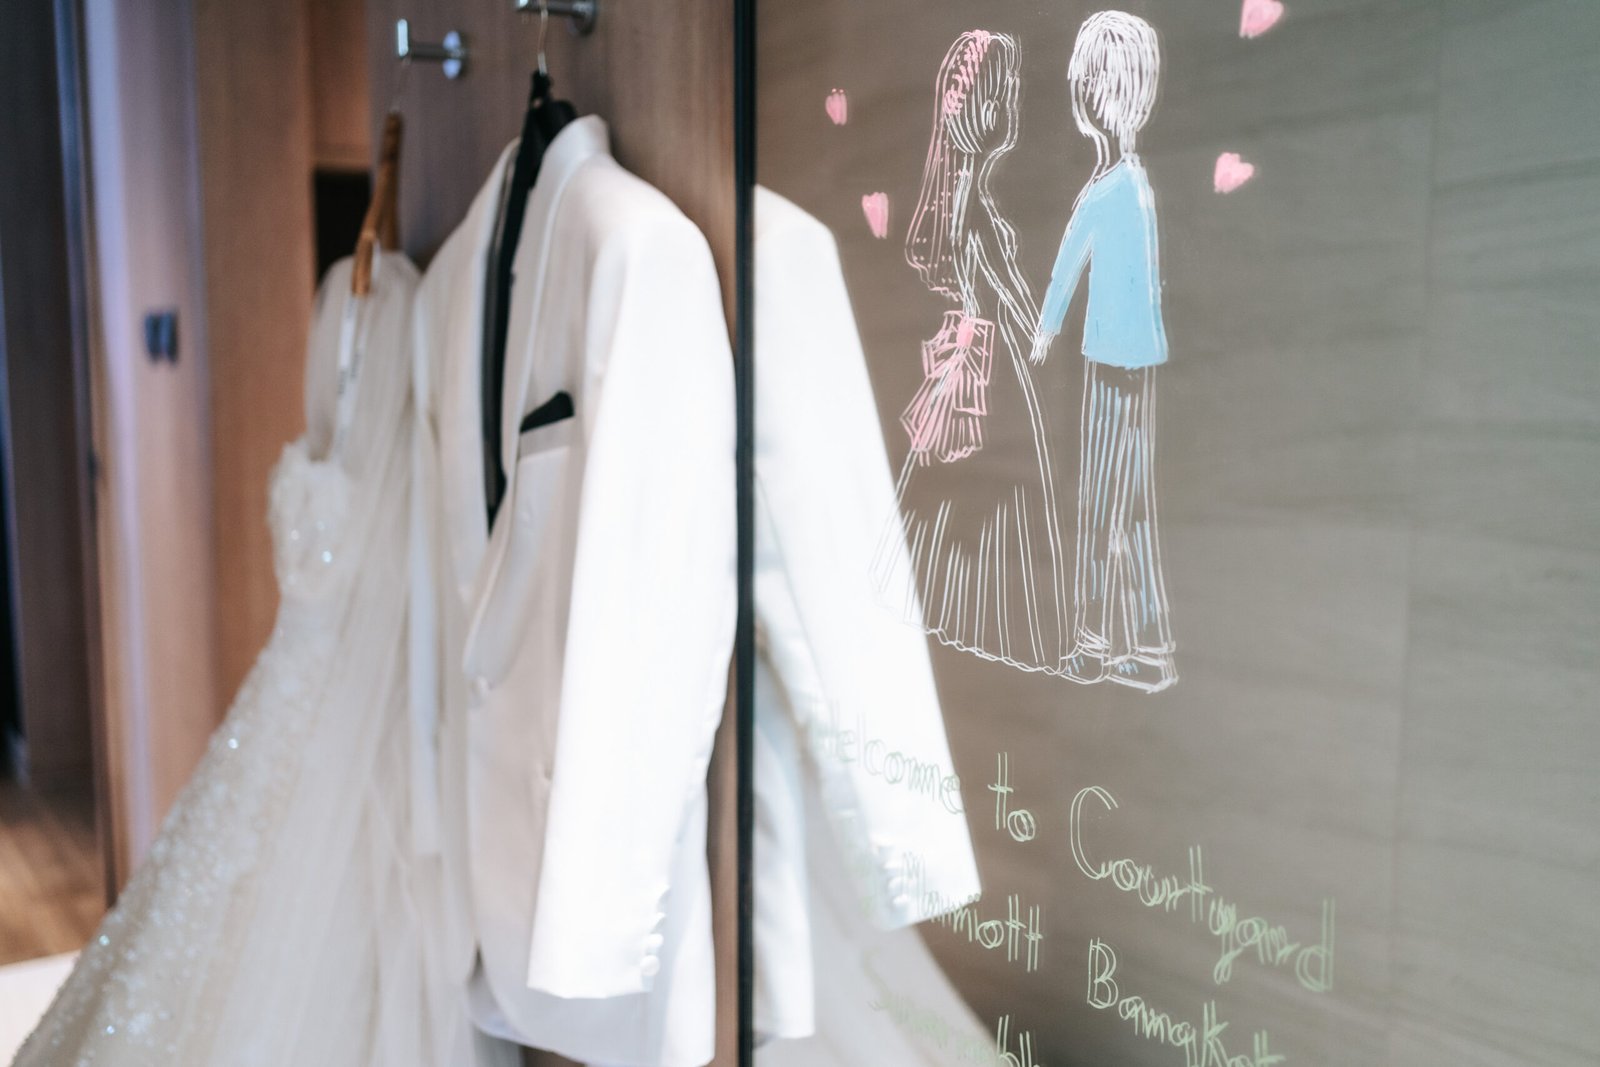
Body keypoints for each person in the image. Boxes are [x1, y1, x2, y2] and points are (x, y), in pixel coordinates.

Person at [873, 29, 1070, 675]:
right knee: (995, 485)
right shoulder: (976, 205)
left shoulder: (956, 198)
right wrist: (1045, 333)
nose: (1014, 99)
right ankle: (994, 622)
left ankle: (948, 607)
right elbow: (1010, 290)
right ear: (985, 107)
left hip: (967, 349)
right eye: (1007, 89)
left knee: (952, 481)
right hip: (991, 357)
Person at [1033, 10, 1178, 694]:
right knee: (1135, 505)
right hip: (1140, 361)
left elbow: (1067, 268)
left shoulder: (1108, 190)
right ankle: (1150, 647)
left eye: (1093, 81)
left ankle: (1091, 643)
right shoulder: (1138, 187)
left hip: (1112, 364)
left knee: (1101, 501)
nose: (1084, 92)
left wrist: (1043, 332)